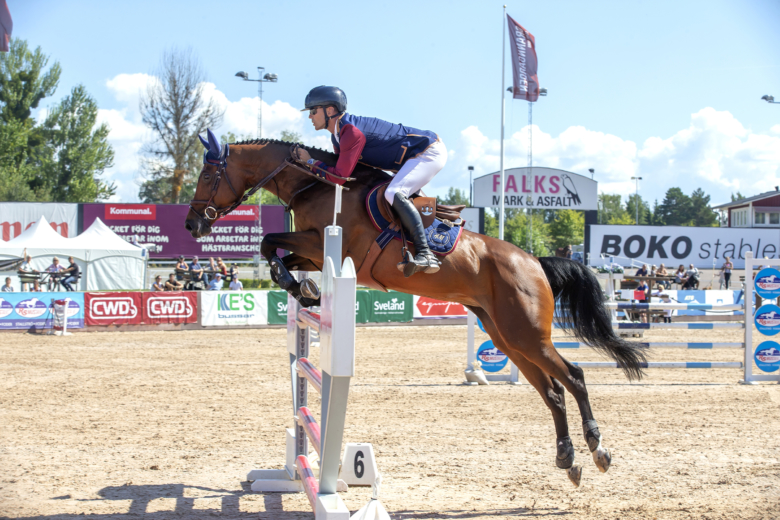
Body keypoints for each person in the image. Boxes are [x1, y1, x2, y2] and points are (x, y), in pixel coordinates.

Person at [295, 86, 446, 276]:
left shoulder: (351, 132)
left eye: (313, 110)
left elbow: (339, 177)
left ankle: (425, 253)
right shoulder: (338, 137)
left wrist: (310, 162)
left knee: (393, 192)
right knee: (388, 193)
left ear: (330, 110)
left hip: (427, 152)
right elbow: (345, 174)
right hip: (410, 160)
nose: (310, 116)